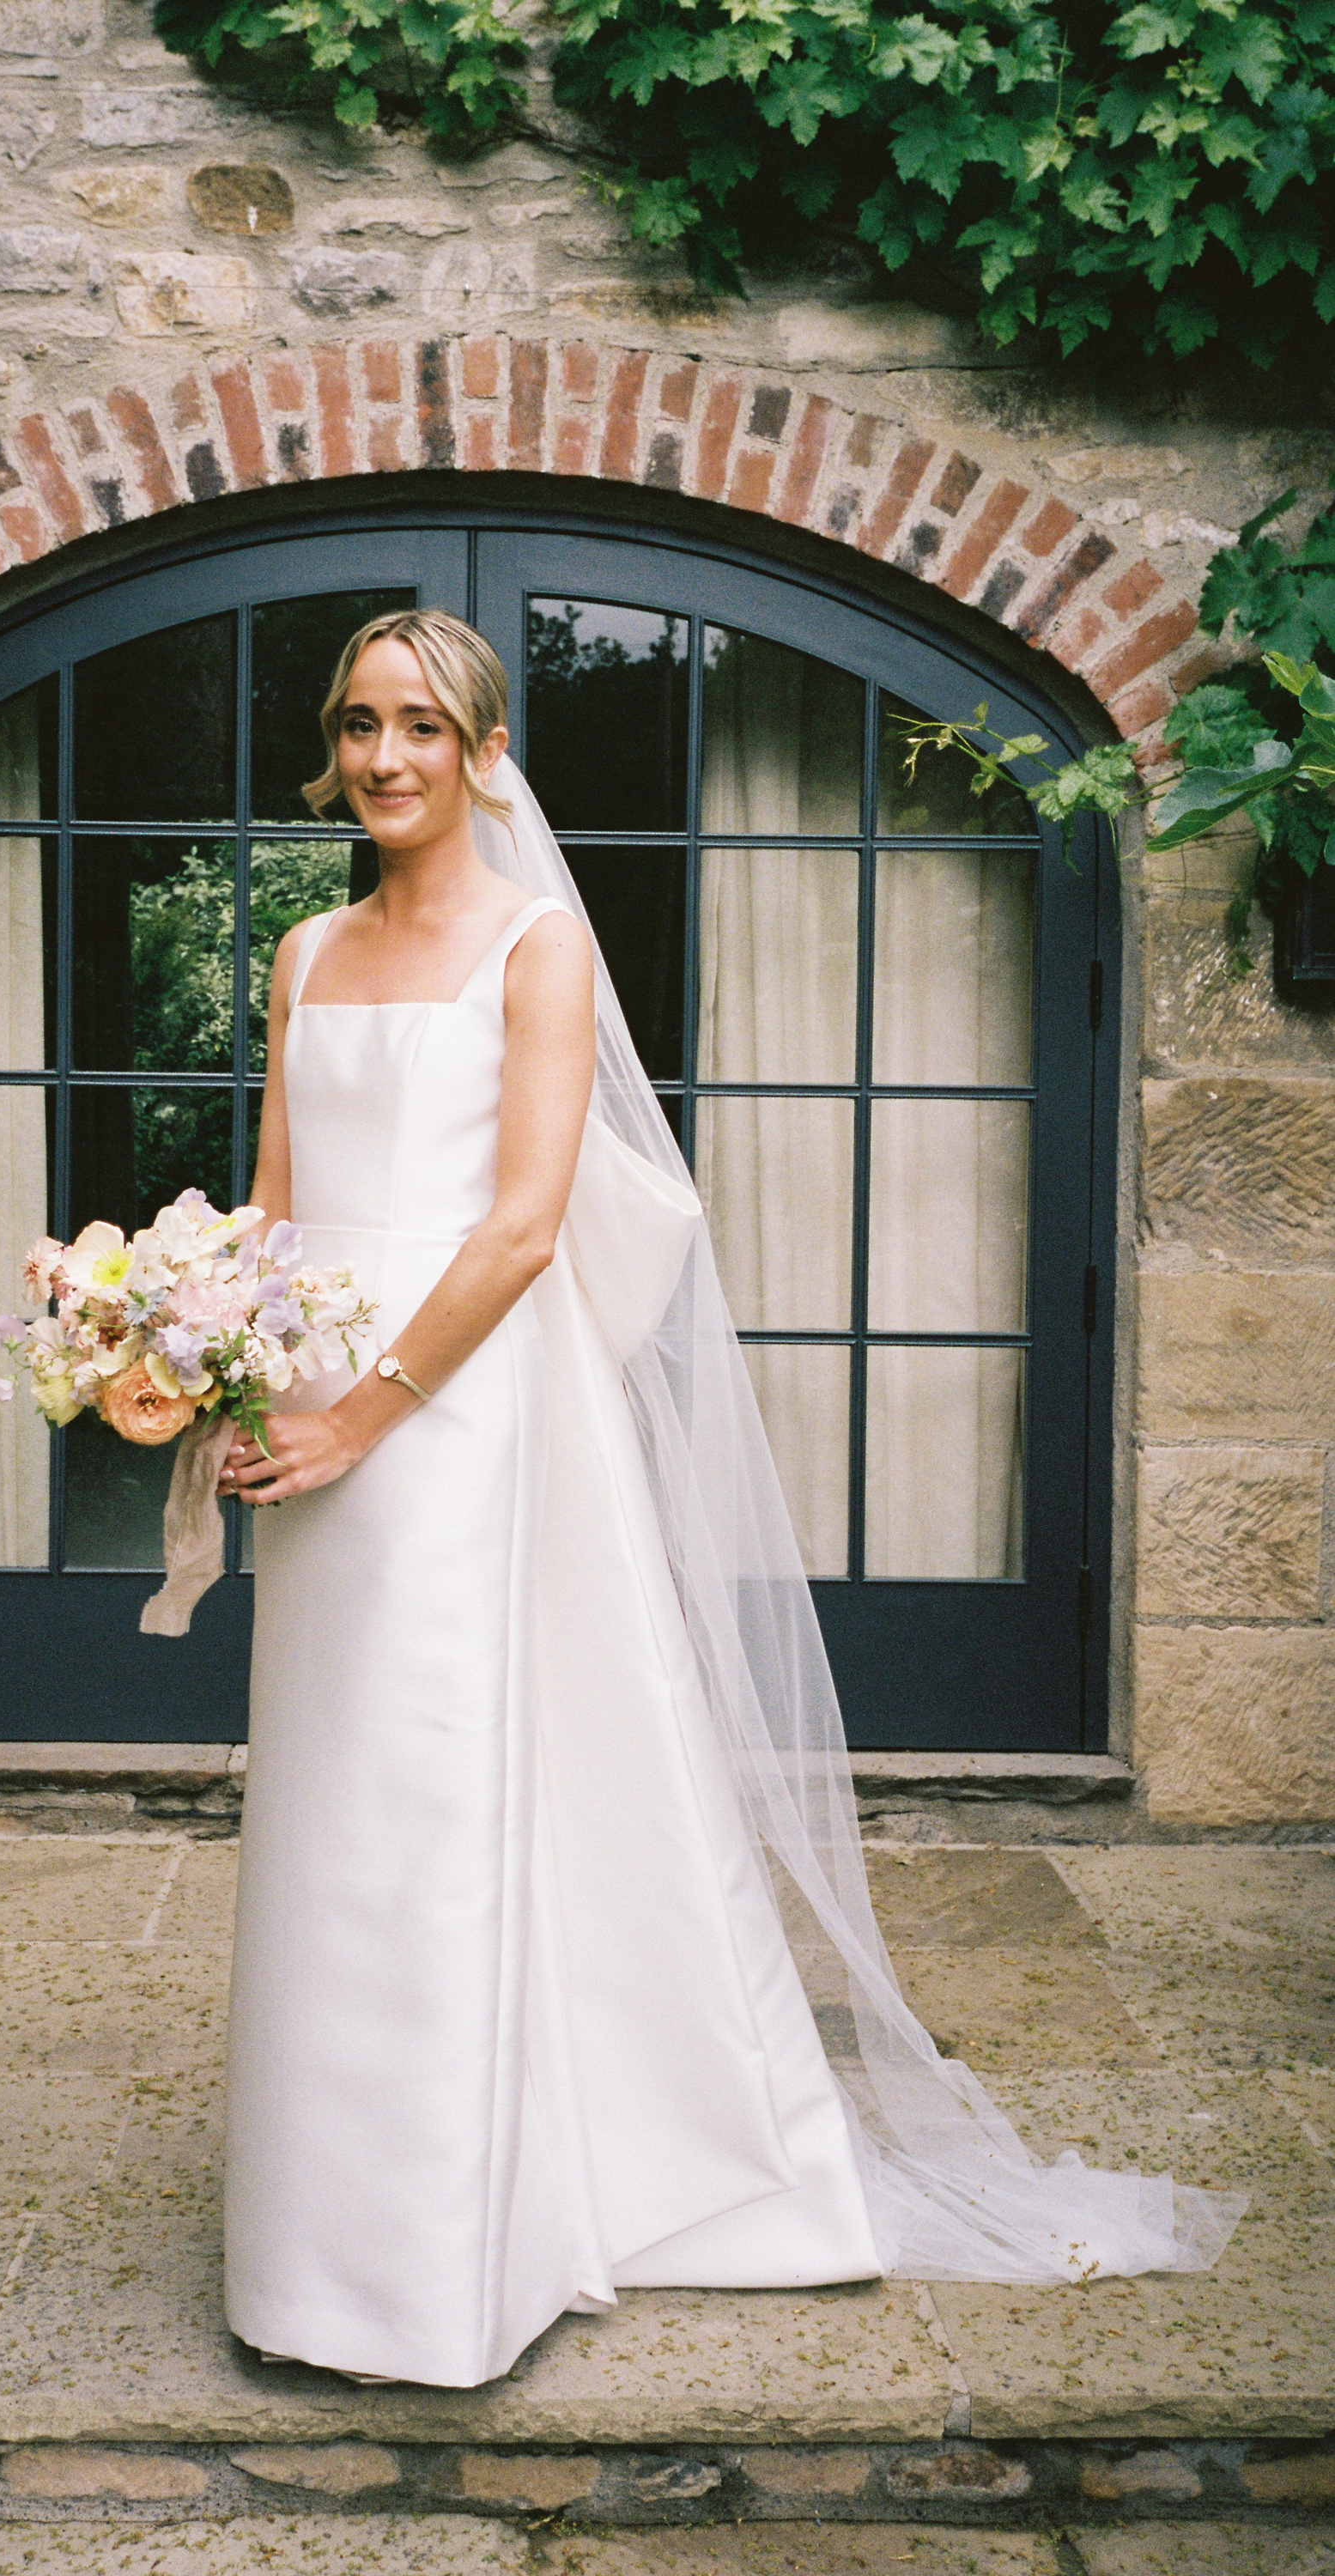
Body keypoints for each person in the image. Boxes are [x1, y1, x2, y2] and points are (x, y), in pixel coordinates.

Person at [215, 609, 1242, 2391]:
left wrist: (368, 1413)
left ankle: (452, 2249)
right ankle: (333, 2222)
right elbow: (276, 1203)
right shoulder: (306, 948)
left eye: (423, 729)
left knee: (450, 1781)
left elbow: (529, 1227)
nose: (386, 759)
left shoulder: (536, 947)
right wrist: (209, 1361)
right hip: (317, 1419)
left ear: (482, 752)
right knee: (338, 1798)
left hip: (461, 1416)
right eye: (359, 725)